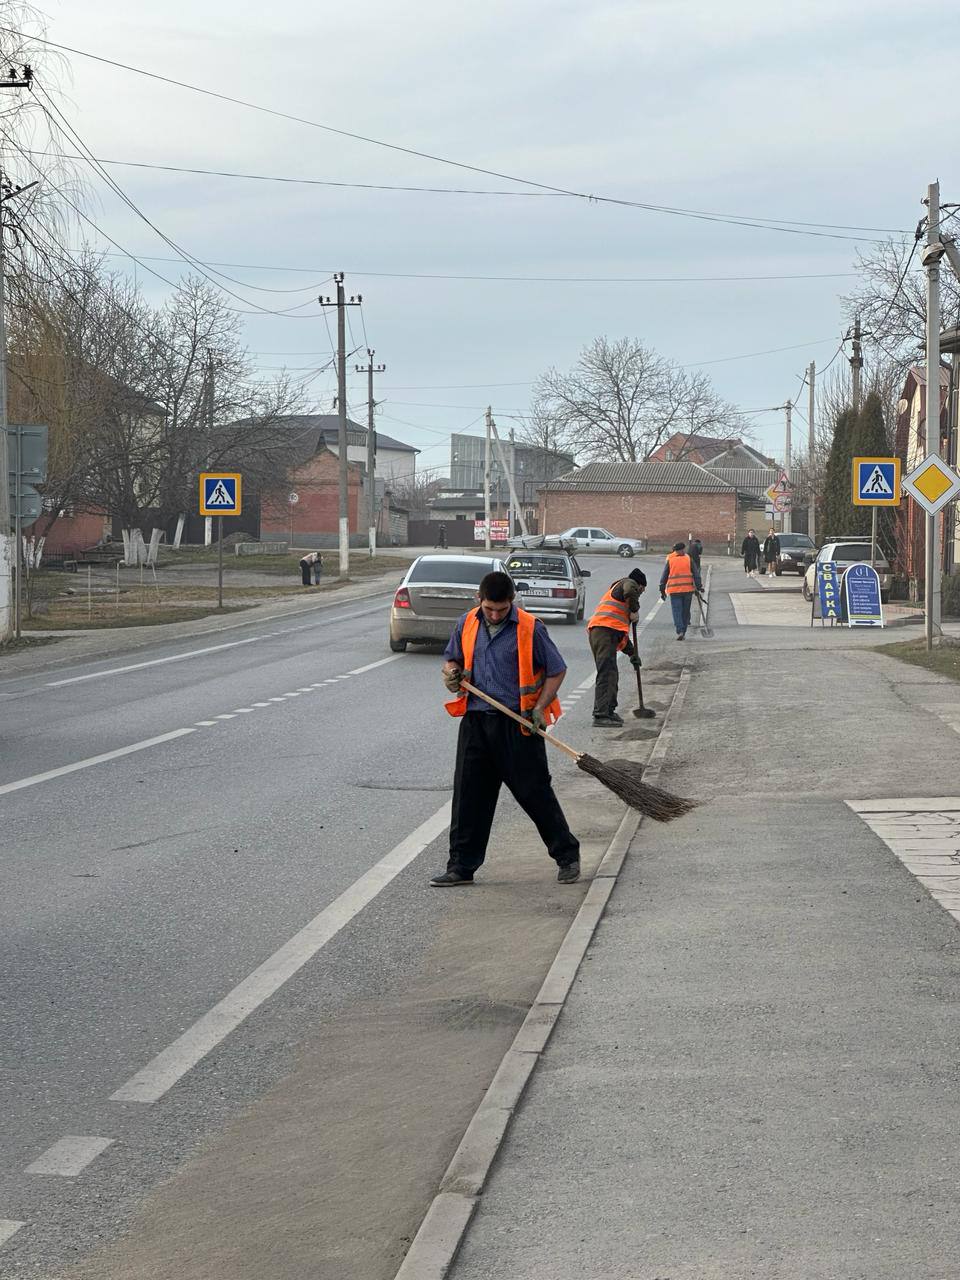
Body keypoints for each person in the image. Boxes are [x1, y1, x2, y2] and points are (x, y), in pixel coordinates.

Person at [433, 571, 581, 886]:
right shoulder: (467, 623)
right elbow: (451, 660)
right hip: (476, 721)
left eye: (501, 609)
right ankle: (461, 867)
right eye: (490, 609)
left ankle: (567, 856)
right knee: (468, 797)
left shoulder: (530, 628)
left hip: (518, 725)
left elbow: (557, 670)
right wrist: (452, 672)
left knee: (535, 793)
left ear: (511, 601)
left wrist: (539, 708)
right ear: (479, 600)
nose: (496, 615)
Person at [586, 567, 647, 727]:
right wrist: (635, 609)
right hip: (602, 631)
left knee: (612, 673)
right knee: (606, 673)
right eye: (642, 591)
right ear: (640, 585)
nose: (640, 593)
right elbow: (630, 591)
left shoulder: (621, 600)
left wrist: (633, 654)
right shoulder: (628, 583)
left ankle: (609, 711)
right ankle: (600, 715)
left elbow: (621, 635)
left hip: (606, 632)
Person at [659, 541, 702, 641]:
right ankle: (683, 631)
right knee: (685, 612)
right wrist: (699, 586)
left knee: (677, 611)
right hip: (687, 590)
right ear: (682, 550)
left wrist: (662, 586)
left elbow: (664, 575)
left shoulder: (671, 560)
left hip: (675, 590)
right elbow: (696, 574)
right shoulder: (688, 559)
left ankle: (680, 630)